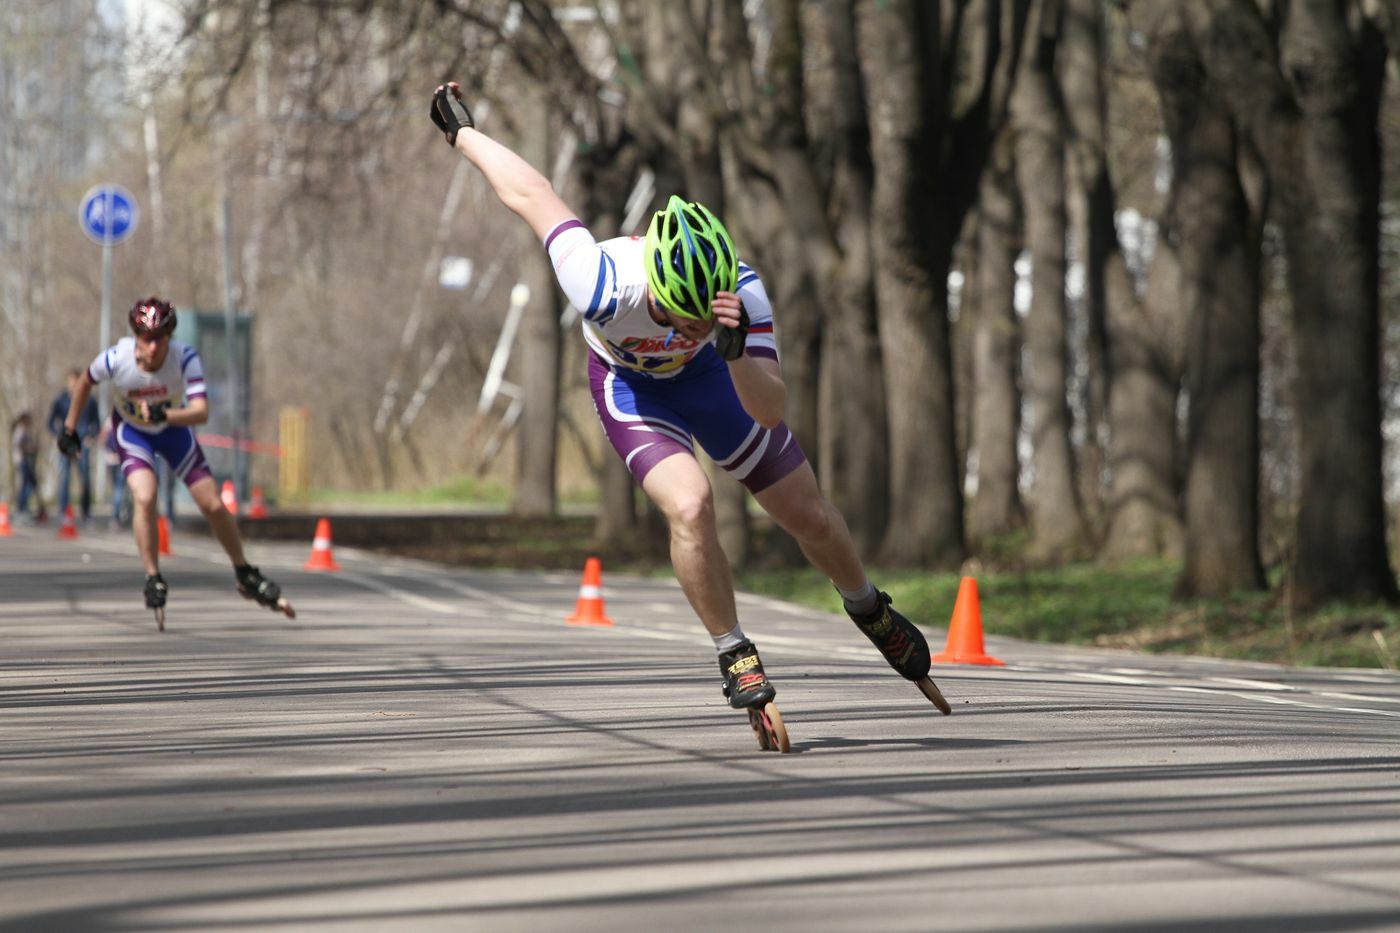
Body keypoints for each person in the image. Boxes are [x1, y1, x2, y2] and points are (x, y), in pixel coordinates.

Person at [429, 82, 942, 727]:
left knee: (807, 515)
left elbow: (769, 410)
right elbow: (533, 194)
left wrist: (732, 351)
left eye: (705, 317)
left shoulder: (742, 296)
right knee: (692, 505)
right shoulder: (602, 280)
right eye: (682, 317)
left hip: (712, 379)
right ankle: (733, 650)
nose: (694, 326)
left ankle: (869, 607)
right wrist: (463, 133)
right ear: (656, 288)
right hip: (631, 385)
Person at [57, 297, 290, 616]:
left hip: (173, 430)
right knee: (145, 496)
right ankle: (153, 575)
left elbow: (201, 412)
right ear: (135, 337)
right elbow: (85, 381)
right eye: (146, 338)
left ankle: (244, 571)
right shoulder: (116, 358)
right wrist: (69, 429)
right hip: (133, 433)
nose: (154, 347)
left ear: (170, 337)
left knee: (213, 504)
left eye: (161, 338)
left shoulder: (184, 358)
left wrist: (164, 414)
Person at [48, 369, 100, 521]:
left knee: (85, 478)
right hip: (66, 442)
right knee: (64, 477)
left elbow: (96, 422)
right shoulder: (60, 400)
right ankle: (64, 511)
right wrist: (57, 435)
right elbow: (50, 422)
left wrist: (91, 436)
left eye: (76, 382)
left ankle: (86, 512)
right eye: (70, 382)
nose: (73, 385)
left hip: (82, 443)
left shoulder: (90, 400)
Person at [11, 412, 40, 517]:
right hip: (22, 461)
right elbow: (20, 445)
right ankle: (22, 508)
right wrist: (31, 449)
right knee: (26, 485)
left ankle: (24, 507)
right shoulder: (21, 431)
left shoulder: (23, 431)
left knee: (29, 485)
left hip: (25, 462)